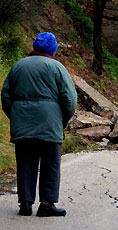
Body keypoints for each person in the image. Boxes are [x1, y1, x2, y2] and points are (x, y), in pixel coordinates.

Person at [1, 32, 77, 217]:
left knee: (26, 162)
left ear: (34, 46)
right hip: (50, 123)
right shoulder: (57, 68)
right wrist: (61, 120)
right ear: (53, 49)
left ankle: (25, 204)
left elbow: (6, 95)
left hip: (23, 122)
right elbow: (70, 100)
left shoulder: (18, 66)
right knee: (51, 163)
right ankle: (46, 204)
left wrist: (16, 116)